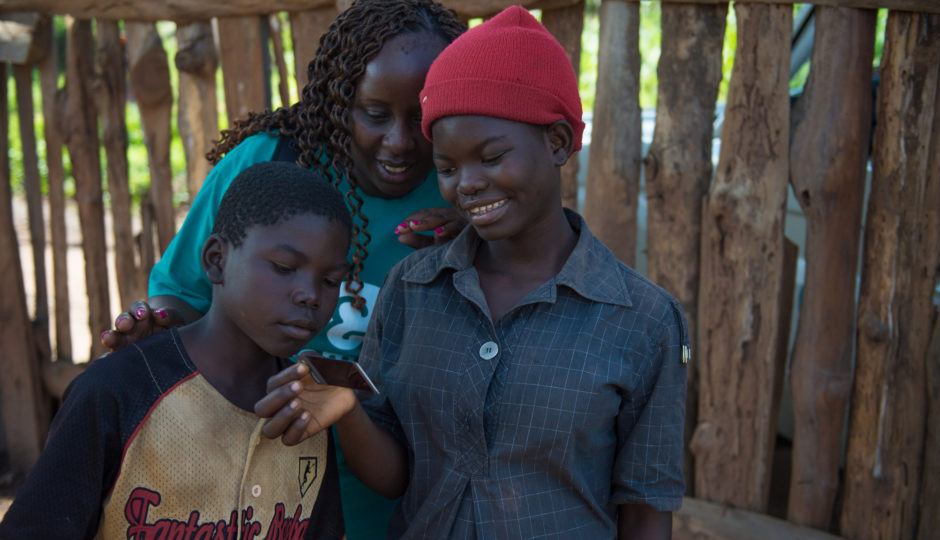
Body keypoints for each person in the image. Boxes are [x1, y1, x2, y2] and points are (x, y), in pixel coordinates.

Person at [255, 6, 689, 539]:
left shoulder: (642, 320)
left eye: (490, 157)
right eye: (446, 167)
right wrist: (347, 413)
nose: (467, 184)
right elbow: (395, 479)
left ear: (556, 142)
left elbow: (646, 511)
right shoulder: (413, 289)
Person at [99, 2, 466, 537]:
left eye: (422, 118)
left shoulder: (464, 191)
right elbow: (183, 296)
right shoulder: (271, 164)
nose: (400, 142)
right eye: (375, 113)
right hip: (251, 498)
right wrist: (156, 324)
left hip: (393, 503)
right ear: (341, 100)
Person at [0, 162, 351, 539]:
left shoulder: (306, 412)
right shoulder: (119, 391)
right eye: (284, 267)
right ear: (216, 260)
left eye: (331, 280)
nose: (310, 295)